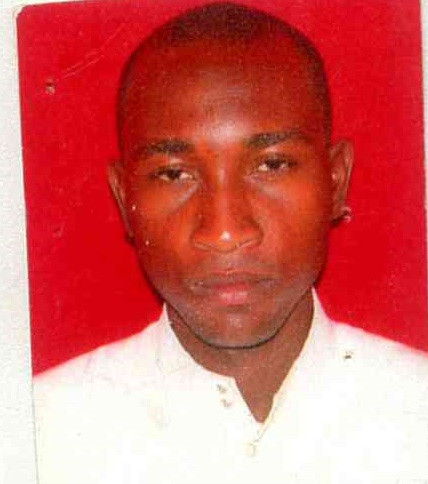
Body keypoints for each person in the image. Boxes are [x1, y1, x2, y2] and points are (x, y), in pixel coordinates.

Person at [34, 3, 428, 483]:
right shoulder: (39, 432)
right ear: (124, 199)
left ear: (335, 181)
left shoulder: (415, 411)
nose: (225, 232)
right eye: (174, 174)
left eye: (272, 165)